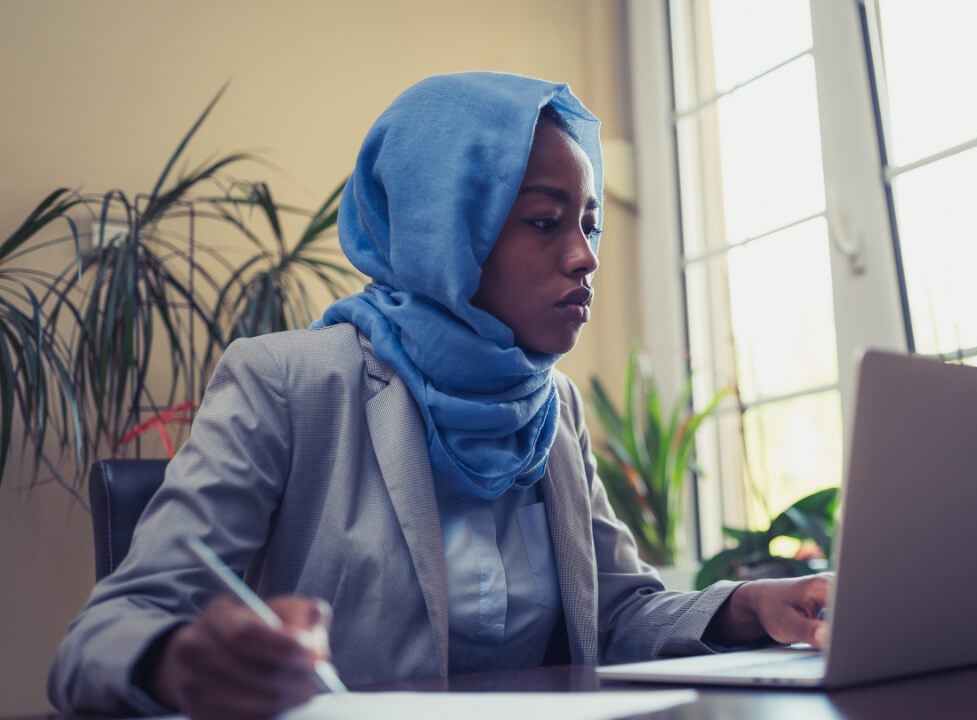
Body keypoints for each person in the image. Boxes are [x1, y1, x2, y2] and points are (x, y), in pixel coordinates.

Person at [48, 71, 830, 719]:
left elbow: (617, 614)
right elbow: (99, 639)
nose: (584, 256)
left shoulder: (552, 406)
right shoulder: (286, 382)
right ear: (442, 231)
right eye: (544, 221)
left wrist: (748, 605)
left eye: (588, 223)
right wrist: (179, 661)